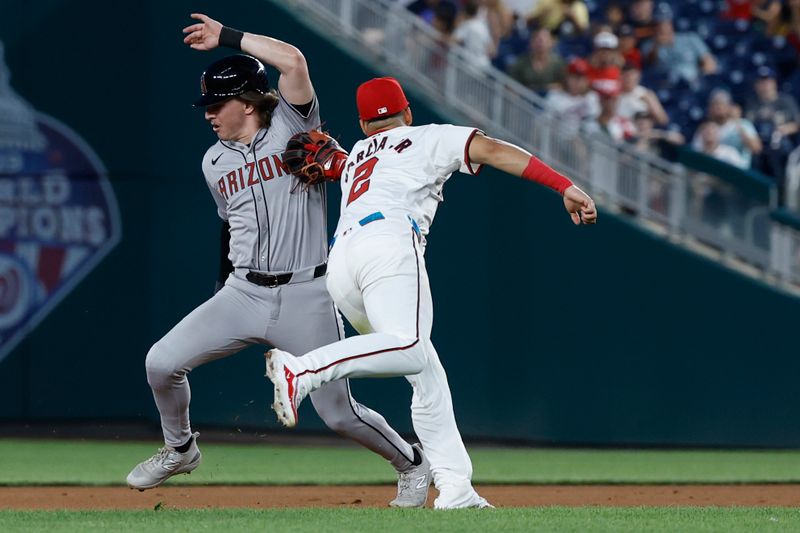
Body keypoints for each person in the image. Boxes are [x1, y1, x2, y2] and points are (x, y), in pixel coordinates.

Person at [125, 14, 432, 510]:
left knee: (338, 415)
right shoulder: (213, 161)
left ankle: (412, 464)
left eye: (217, 103)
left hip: (308, 294)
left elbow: (293, 60)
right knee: (161, 363)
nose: (208, 113)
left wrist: (225, 36)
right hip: (243, 291)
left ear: (248, 102)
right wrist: (226, 289)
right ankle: (180, 449)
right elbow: (232, 226)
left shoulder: (294, 124)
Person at [265, 76, 597, 509]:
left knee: (426, 376)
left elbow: (340, 165)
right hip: (388, 245)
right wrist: (564, 186)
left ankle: (456, 489)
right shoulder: (426, 137)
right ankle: (302, 371)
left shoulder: (357, 157)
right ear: (408, 112)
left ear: (365, 125)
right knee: (410, 348)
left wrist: (338, 161)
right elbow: (495, 151)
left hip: (342, 263)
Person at [745, 66, 800, 189]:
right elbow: (747, 125)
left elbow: (797, 123)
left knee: (778, 154)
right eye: (761, 82)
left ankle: (780, 193)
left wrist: (784, 129)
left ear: (774, 83)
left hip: (781, 143)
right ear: (756, 85)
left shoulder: (786, 101)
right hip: (758, 144)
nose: (765, 85)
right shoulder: (752, 103)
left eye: (768, 81)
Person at [641, 8, 717, 85]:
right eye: (658, 25)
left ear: (671, 24)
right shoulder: (649, 45)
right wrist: (657, 45)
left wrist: (703, 80)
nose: (662, 28)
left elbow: (709, 61)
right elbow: (649, 64)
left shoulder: (690, 38)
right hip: (667, 85)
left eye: (665, 23)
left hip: (692, 81)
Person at [692, 89, 762, 168]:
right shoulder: (705, 128)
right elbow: (697, 151)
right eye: (715, 104)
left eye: (722, 104)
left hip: (738, 170)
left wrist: (738, 126)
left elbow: (756, 148)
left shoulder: (743, 124)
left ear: (729, 107)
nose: (718, 108)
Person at [507, 27, 566, 93]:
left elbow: (564, 86)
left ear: (551, 43)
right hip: (524, 99)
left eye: (543, 40)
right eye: (536, 39)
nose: (539, 43)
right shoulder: (521, 62)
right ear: (531, 42)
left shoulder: (558, 63)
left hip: (551, 100)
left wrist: (547, 89)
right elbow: (511, 85)